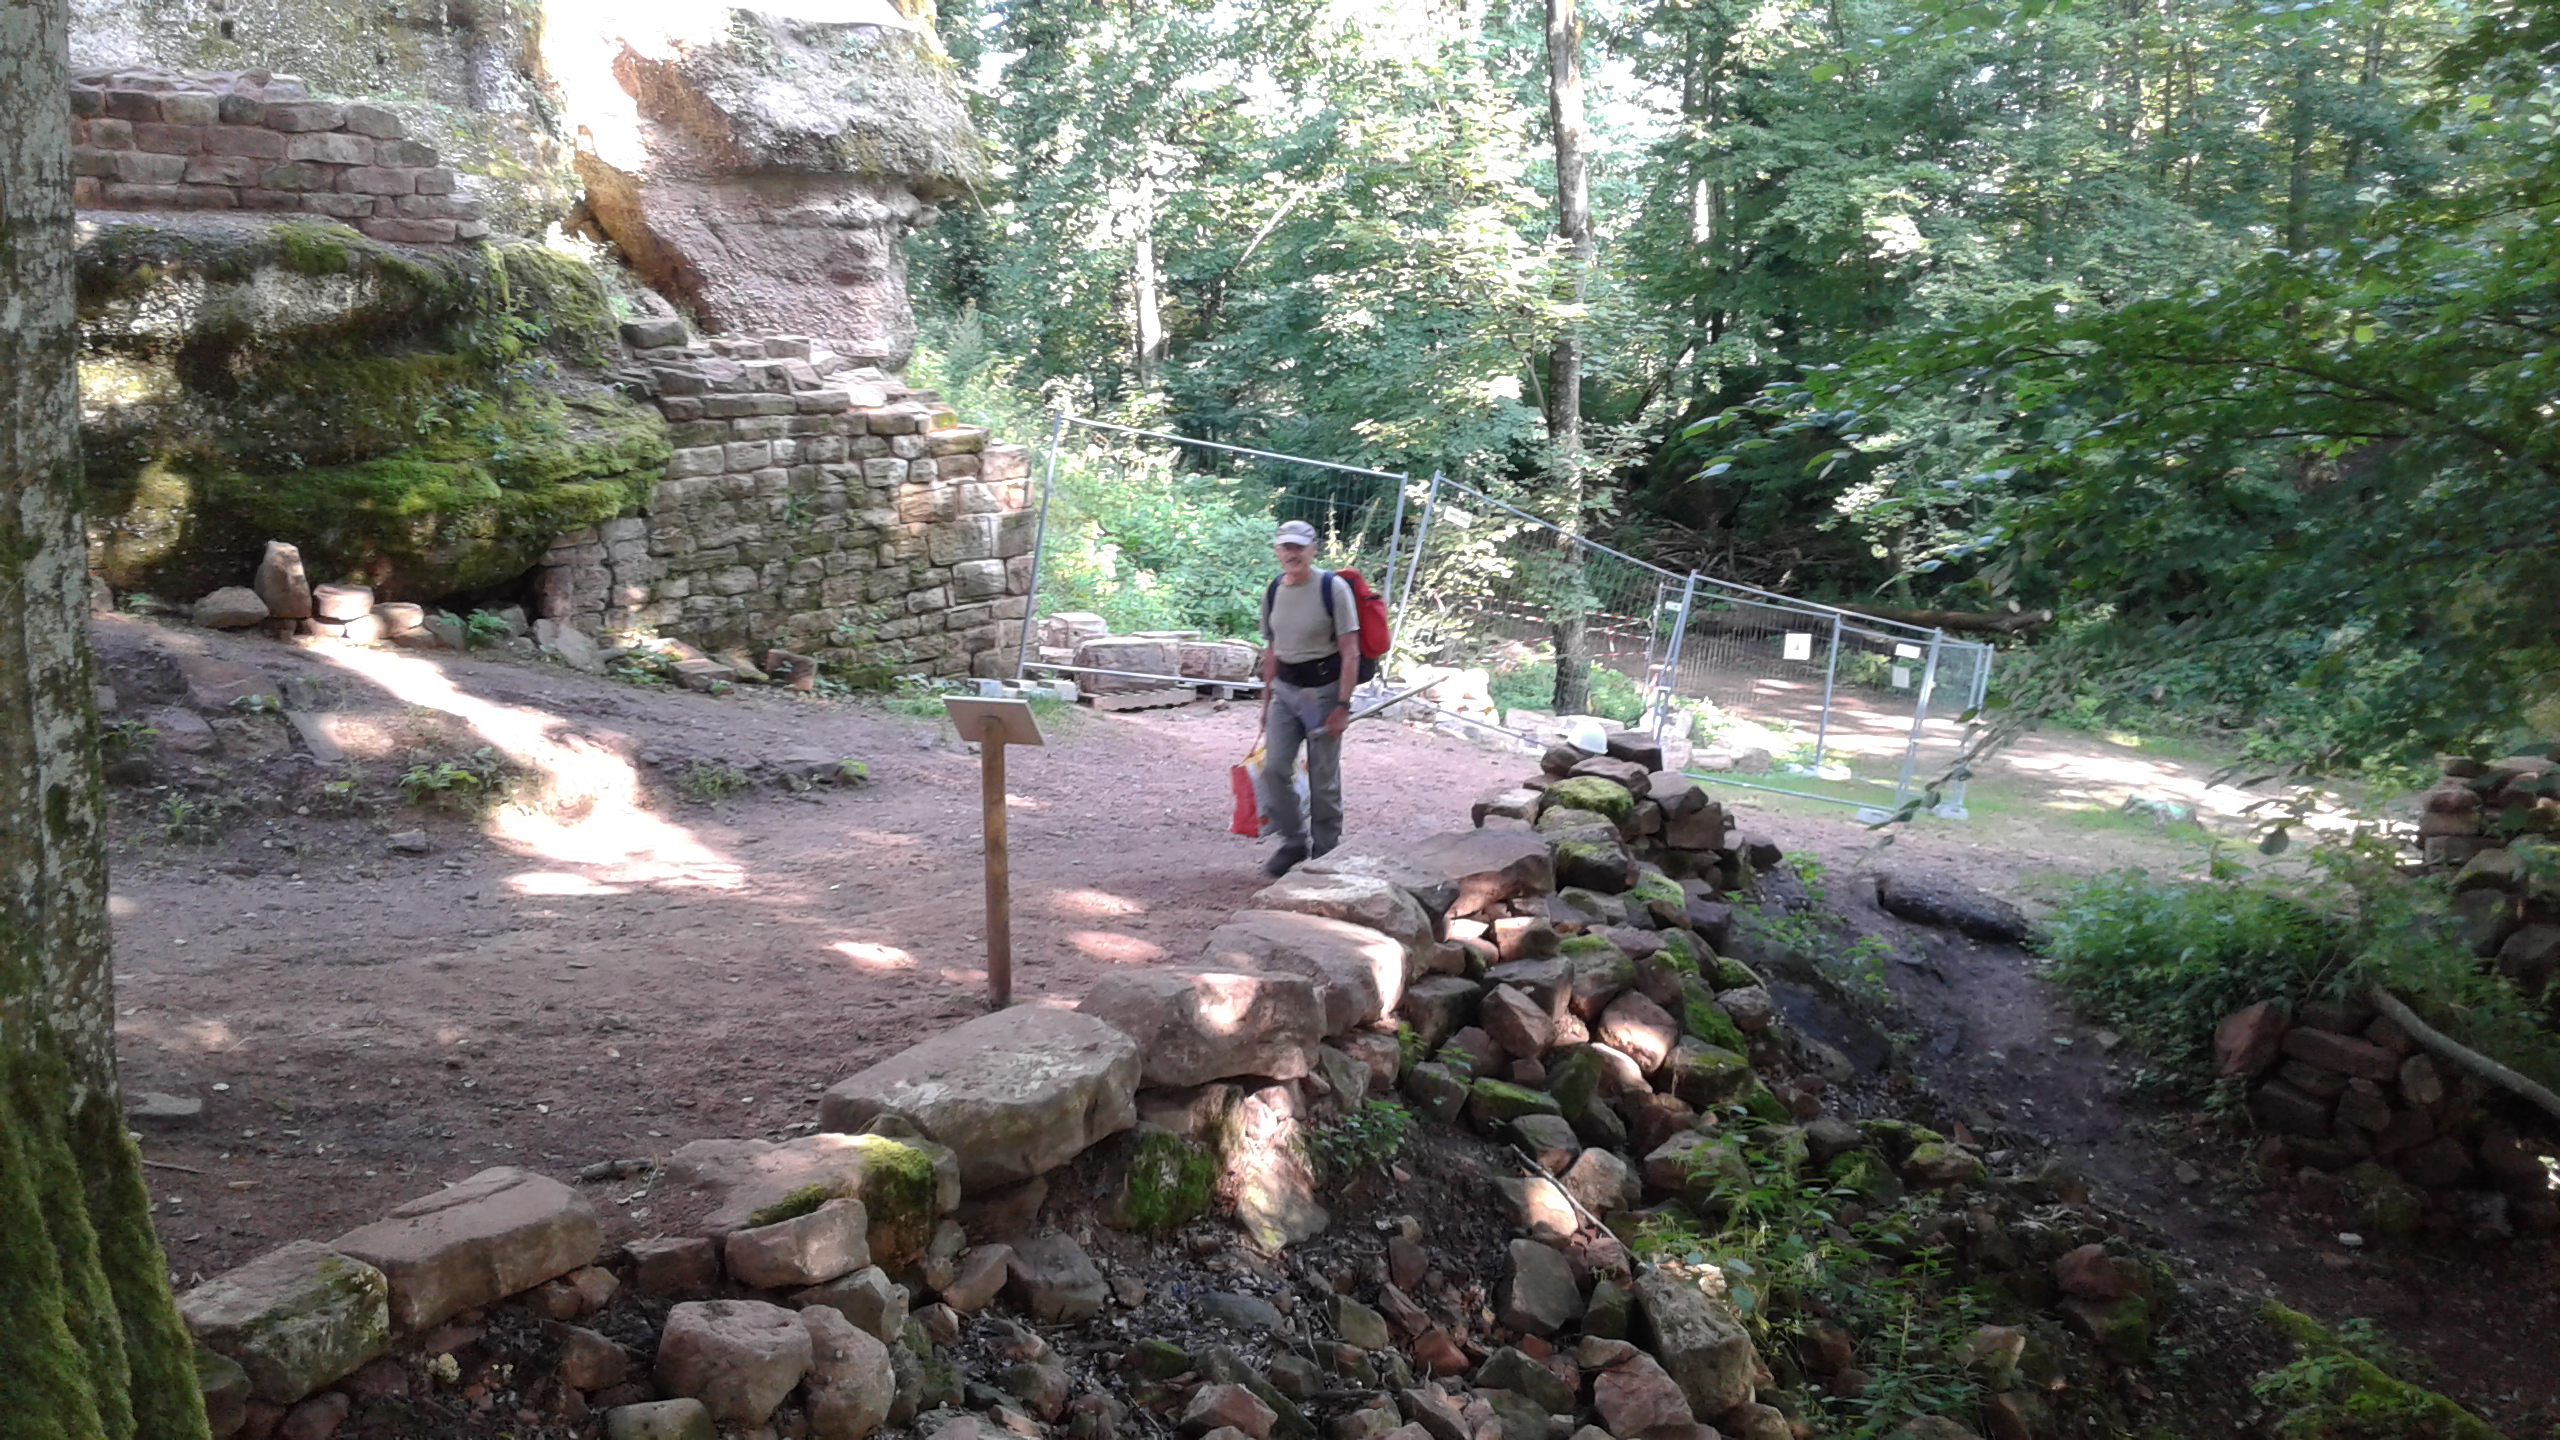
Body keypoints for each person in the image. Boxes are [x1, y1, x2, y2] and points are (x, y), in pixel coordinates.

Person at [1257, 519, 1360, 876]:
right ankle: (1294, 841)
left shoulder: (1333, 589)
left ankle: (1326, 852)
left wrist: (1343, 706)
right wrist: (1266, 702)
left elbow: (1350, 651)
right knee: (1274, 769)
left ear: (1314, 549)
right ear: (1277, 550)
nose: (1292, 553)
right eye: (1286, 546)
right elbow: (1271, 650)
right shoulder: (1273, 590)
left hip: (1323, 693)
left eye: (1299, 547)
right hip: (1284, 692)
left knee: (1323, 777)